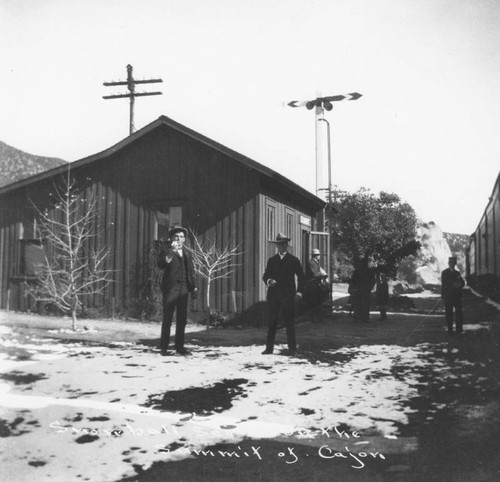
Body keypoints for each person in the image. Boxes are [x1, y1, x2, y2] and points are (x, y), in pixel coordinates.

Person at [262, 233, 305, 355]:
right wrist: (269, 281)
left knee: (289, 323)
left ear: (287, 245)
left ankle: (292, 350)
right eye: (279, 245)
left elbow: (301, 277)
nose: (281, 247)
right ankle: (269, 349)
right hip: (274, 296)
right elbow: (265, 275)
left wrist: (300, 292)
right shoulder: (272, 260)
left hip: (288, 296)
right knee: (272, 322)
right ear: (276, 246)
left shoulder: (294, 260)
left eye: (283, 244)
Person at [157, 226, 197, 355]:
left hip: (184, 287)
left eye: (181, 237)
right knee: (168, 318)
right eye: (176, 236)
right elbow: (161, 265)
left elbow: (190, 270)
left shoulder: (187, 252)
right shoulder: (166, 250)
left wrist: (193, 286)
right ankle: (164, 348)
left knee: (182, 319)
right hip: (171, 288)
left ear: (184, 239)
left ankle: (180, 347)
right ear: (171, 238)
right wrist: (171, 252)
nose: (179, 239)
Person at [441, 256, 465, 334]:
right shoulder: (444, 272)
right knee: (449, 313)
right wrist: (453, 284)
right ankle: (450, 329)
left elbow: (462, 283)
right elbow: (444, 283)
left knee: (459, 313)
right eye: (450, 263)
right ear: (448, 263)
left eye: (453, 263)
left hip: (456, 296)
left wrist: (459, 284)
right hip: (448, 296)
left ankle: (459, 329)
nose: (451, 264)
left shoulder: (457, 273)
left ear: (455, 264)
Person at [305, 248, 329, 322]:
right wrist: (322, 274)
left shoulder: (316, 262)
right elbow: (314, 274)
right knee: (314, 302)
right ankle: (314, 318)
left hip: (316, 284)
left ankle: (318, 317)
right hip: (313, 285)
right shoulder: (311, 263)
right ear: (315, 255)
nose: (319, 256)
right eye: (318, 255)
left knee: (318, 301)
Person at [351, 257, 376, 322]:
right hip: (364, 290)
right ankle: (364, 318)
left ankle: (358, 318)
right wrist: (369, 288)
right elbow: (373, 281)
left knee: (358, 305)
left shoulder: (357, 271)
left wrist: (354, 288)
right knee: (364, 305)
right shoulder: (369, 271)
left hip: (360, 290)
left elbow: (353, 280)